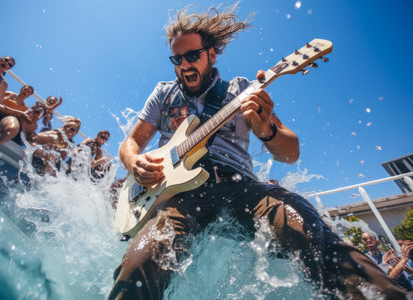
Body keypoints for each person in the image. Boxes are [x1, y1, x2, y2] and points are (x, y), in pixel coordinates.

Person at [109, 4, 407, 300]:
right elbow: (130, 143)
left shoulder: (242, 89)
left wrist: (267, 130)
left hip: (241, 188)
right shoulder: (163, 93)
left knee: (309, 231)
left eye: (192, 56)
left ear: (211, 54)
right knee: (139, 262)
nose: (184, 65)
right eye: (177, 58)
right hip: (178, 198)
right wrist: (134, 161)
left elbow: (290, 154)